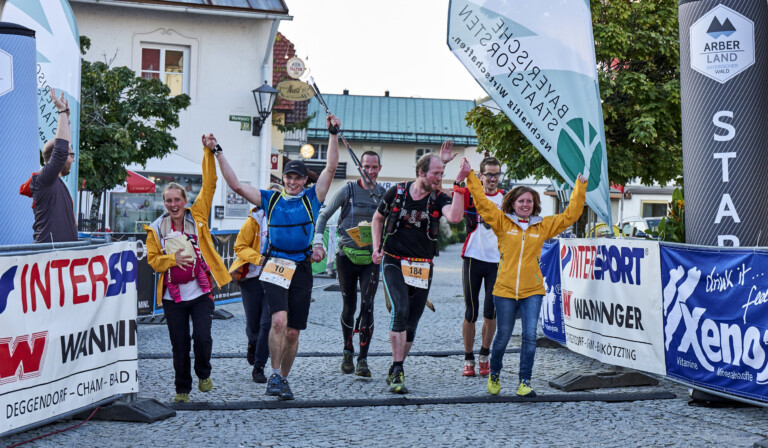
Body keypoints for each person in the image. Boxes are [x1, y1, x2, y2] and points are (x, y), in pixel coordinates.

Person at [215, 115, 340, 400]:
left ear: (305, 180)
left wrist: (333, 134)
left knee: (293, 332)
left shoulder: (312, 198)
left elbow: (331, 168)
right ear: (283, 179)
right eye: (288, 177)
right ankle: (272, 374)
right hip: (275, 264)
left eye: (298, 178)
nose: (293, 181)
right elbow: (236, 185)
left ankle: (283, 378)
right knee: (279, 321)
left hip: (302, 266)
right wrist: (218, 152)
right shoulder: (270, 199)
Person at [464, 158, 587, 397]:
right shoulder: (502, 222)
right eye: (521, 201)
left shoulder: (542, 226)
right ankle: (495, 373)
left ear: (535, 204)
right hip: (504, 290)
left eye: (529, 201)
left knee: (530, 336)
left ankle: (524, 382)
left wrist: (579, 188)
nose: (525, 204)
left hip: (533, 290)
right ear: (512, 203)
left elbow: (570, 215)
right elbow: (481, 203)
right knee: (502, 337)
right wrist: (470, 175)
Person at [371, 141, 469, 394]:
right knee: (400, 309)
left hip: (422, 265)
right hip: (394, 260)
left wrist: (459, 182)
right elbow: (378, 218)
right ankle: (397, 369)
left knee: (412, 322)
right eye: (436, 173)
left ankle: (397, 365)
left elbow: (455, 216)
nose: (440, 177)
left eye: (442, 174)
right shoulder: (397, 192)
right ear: (421, 173)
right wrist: (376, 247)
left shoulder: (439, 198)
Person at [144, 138, 231, 403]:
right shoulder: (156, 229)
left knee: (202, 338)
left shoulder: (198, 216)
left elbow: (210, 184)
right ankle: (182, 389)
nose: (173, 205)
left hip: (201, 292)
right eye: (168, 201)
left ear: (185, 200)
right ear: (164, 203)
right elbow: (153, 260)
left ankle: (204, 373)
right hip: (173, 298)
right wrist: (172, 259)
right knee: (179, 345)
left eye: (177, 200)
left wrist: (208, 151)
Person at [313, 151, 386, 378]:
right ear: (359, 167)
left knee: (368, 305)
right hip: (347, 257)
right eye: (366, 166)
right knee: (349, 306)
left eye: (374, 167)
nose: (370, 171)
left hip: (371, 259)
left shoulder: (383, 194)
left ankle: (363, 359)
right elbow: (323, 215)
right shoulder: (348, 190)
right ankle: (347, 350)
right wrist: (318, 242)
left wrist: (386, 246)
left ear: (380, 168)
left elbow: (392, 224)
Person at [453, 156, 504, 377]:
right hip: (473, 258)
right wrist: (461, 174)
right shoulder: (471, 193)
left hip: (496, 261)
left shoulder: (506, 198)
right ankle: (468, 358)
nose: (493, 178)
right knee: (470, 312)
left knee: (491, 312)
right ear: (480, 176)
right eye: (489, 174)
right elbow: (455, 194)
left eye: (496, 174)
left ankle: (484, 355)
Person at [229, 183, 283, 384]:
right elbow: (239, 246)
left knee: (267, 324)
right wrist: (258, 258)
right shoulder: (254, 220)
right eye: (271, 198)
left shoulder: (288, 221)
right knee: (253, 326)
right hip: (251, 278)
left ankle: (259, 366)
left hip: (275, 277)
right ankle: (252, 343)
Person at [19, 88, 78, 243]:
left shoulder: (52, 181)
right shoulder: (44, 180)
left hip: (59, 255)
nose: (73, 160)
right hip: (49, 255)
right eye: (71, 155)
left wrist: (66, 117)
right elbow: (62, 151)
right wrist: (61, 112)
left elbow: (65, 148)